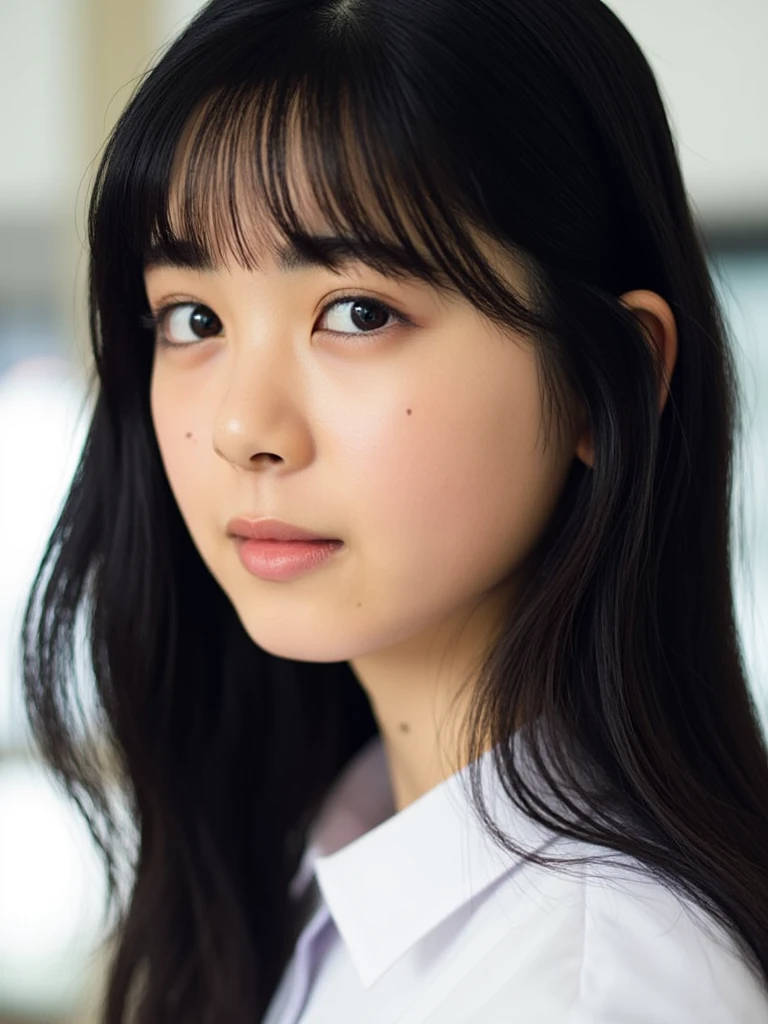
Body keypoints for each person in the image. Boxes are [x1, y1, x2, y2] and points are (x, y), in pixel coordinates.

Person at [20, 0, 768, 1020]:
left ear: (610, 382)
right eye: (193, 318)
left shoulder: (602, 985)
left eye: (357, 312)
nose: (245, 426)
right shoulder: (318, 866)